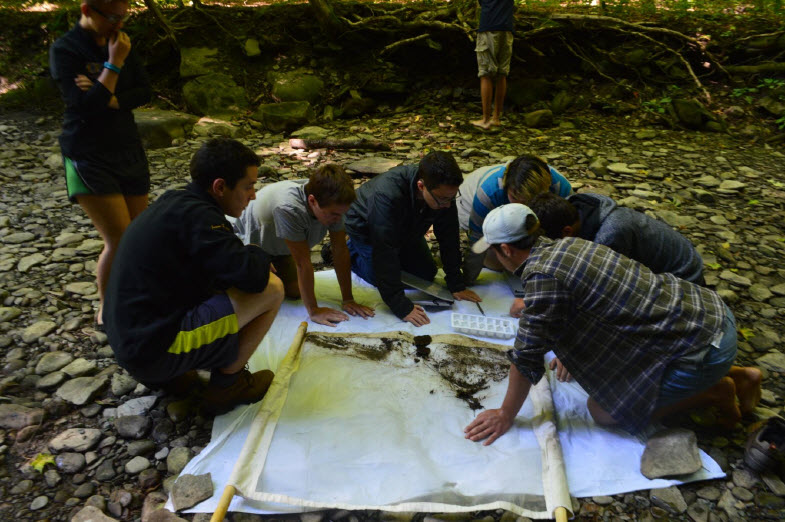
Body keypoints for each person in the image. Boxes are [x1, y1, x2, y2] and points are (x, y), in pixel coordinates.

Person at [464, 203, 762, 444]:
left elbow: (526, 358)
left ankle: (716, 390)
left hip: (704, 347)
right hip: (711, 313)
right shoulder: (568, 245)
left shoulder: (543, 279)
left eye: (493, 250)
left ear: (505, 250)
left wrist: (505, 413)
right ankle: (743, 375)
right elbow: (580, 294)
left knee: (603, 412)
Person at [104, 138, 285, 416]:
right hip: (152, 350)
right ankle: (227, 387)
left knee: (222, 281)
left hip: (132, 342)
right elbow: (251, 278)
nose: (254, 195)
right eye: (248, 186)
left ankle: (174, 376)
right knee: (272, 289)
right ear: (220, 187)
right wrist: (258, 253)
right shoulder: (202, 218)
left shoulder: (176, 202)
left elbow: (219, 266)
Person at [50, 0, 152, 329]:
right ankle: (107, 307)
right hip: (88, 153)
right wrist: (114, 65)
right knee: (119, 238)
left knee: (138, 236)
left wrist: (112, 96)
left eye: (124, 17)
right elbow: (85, 108)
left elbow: (144, 91)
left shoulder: (121, 40)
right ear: (87, 9)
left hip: (127, 148)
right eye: (111, 17)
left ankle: (137, 295)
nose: (118, 24)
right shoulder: (66, 50)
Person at [344, 151, 482, 327]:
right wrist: (400, 305)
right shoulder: (387, 195)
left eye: (452, 198)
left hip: (408, 228)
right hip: (368, 229)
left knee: (426, 275)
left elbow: (449, 237)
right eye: (442, 200)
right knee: (380, 277)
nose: (448, 204)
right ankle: (349, 252)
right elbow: (384, 250)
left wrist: (456, 284)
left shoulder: (442, 193)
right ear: (421, 186)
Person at [233, 164, 375, 327]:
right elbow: (303, 263)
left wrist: (348, 299)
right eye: (334, 214)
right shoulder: (289, 208)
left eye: (341, 214)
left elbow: (340, 250)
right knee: (263, 295)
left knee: (295, 291)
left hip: (281, 248)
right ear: (312, 201)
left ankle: (271, 274)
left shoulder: (332, 201)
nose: (338, 219)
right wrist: (313, 310)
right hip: (250, 247)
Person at [529, 191, 705, 284]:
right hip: (664, 259)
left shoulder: (609, 236)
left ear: (566, 232)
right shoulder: (574, 205)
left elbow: (601, 288)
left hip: (683, 275)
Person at [457, 154, 572, 285]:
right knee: (496, 263)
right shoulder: (487, 194)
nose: (520, 207)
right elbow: (477, 240)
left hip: (537, 211)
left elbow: (570, 231)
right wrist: (466, 282)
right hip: (470, 198)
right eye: (515, 198)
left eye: (527, 203)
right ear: (507, 188)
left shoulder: (560, 188)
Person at [472, 0, 515, 129]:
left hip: (488, 28)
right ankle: (496, 118)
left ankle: (485, 120)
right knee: (502, 74)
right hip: (507, 30)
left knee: (485, 74)